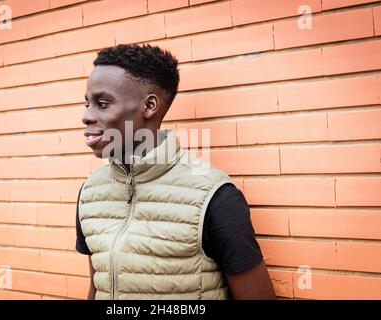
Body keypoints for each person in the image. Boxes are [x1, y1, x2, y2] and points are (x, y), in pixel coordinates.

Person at [75, 43, 275, 300]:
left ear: (149, 106)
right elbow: (98, 287)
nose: (86, 116)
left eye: (102, 104)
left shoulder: (214, 196)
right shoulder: (91, 192)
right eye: (87, 104)